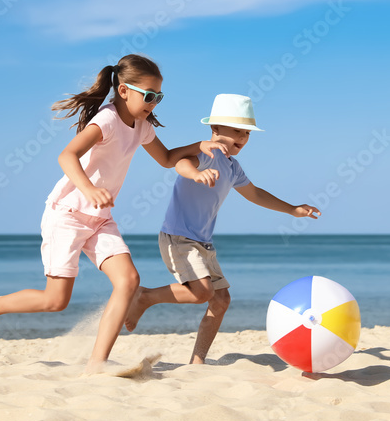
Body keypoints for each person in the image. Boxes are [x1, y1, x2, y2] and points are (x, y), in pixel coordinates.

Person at [0, 55, 226, 373]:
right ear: (124, 90)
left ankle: (96, 363)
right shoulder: (107, 120)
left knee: (128, 280)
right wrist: (88, 189)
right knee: (55, 301)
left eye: (159, 97)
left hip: (100, 219)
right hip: (68, 214)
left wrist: (200, 144)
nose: (154, 103)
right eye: (149, 95)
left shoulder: (141, 126)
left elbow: (167, 158)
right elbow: (67, 155)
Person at [124, 93, 321, 364]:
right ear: (215, 129)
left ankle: (197, 361)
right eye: (238, 131)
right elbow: (182, 162)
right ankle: (144, 296)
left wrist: (292, 209)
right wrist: (195, 174)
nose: (243, 138)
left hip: (202, 242)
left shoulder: (232, 166)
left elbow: (254, 193)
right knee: (202, 292)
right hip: (178, 238)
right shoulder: (208, 152)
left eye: (247, 133)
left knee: (221, 300)